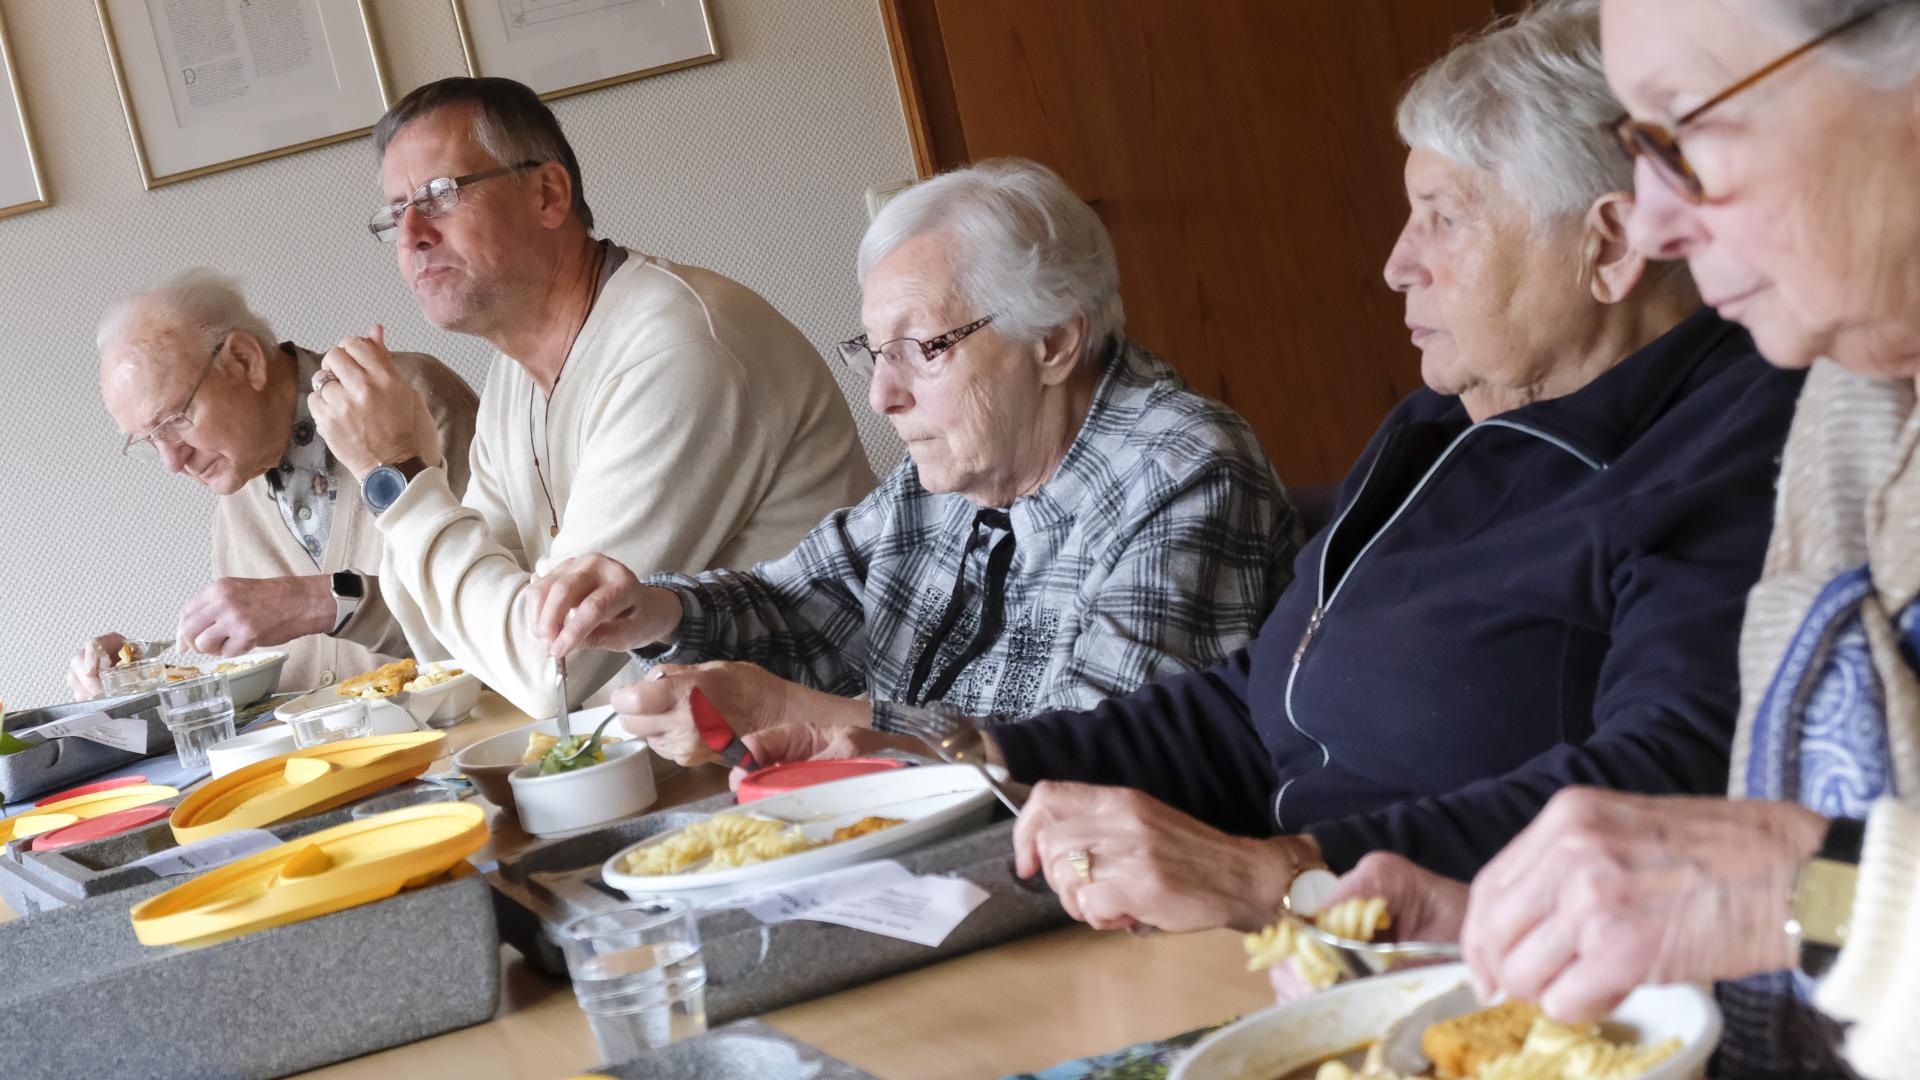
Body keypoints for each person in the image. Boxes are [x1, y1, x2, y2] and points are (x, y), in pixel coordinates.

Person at [548, 0, 1804, 935]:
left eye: (1446, 217)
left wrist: (1286, 871)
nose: (1396, 264)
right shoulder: (1440, 435)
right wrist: (963, 753)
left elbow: (1671, 772)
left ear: (1613, 245)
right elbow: (1241, 709)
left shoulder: (1721, 443)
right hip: (1258, 925)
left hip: (1446, 957)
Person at [1334, 4, 1920, 1078]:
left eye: (1683, 130)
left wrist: (1808, 893)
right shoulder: (1856, 401)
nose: (1649, 231)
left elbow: (1813, 889)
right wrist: (1518, 933)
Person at [524, 158, 1295, 744]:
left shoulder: (1181, 470)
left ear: (1055, 341)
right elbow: (805, 605)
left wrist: (785, 710)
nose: (882, 396)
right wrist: (653, 611)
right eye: (874, 351)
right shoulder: (956, 469)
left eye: (922, 349)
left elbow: (1095, 753)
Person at [308, 77, 876, 716]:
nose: (411, 233)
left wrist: (399, 473)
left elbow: (550, 667)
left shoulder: (677, 347)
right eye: (394, 212)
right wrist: (410, 471)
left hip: (824, 755)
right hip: (671, 753)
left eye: (440, 195)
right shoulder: (513, 375)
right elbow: (457, 650)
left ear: (548, 194)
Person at [71, 269, 476, 696]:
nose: (172, 460)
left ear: (245, 360)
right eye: (149, 440)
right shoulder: (236, 493)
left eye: (175, 421)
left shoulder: (408, 400)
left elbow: (496, 610)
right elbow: (264, 697)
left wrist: (321, 603)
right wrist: (137, 685)